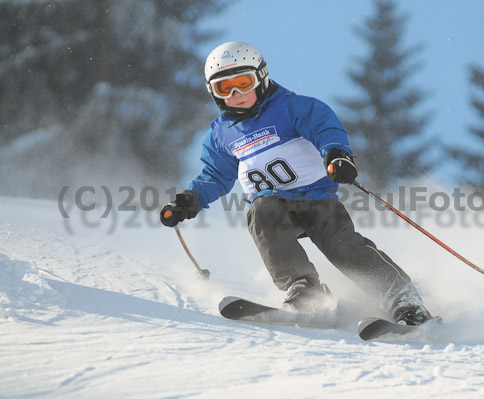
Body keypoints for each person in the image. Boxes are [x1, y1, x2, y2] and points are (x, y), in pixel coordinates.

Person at [160, 41, 433, 325]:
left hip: (316, 200)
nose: (236, 94)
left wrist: (337, 155)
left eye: (243, 82)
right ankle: (306, 291)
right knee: (261, 210)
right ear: (213, 93)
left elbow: (324, 128)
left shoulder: (290, 107)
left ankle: (405, 302)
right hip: (274, 207)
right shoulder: (220, 136)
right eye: (224, 88)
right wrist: (188, 201)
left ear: (262, 77)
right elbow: (214, 176)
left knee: (343, 247)